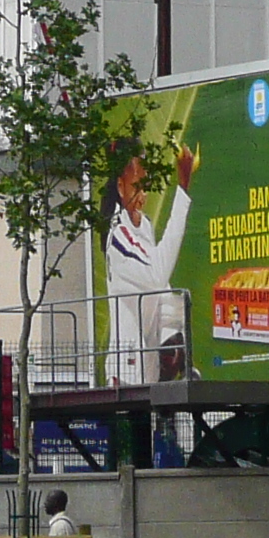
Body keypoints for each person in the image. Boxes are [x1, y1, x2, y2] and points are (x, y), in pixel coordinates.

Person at [104, 143, 198, 385]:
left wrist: (174, 336)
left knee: (173, 300)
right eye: (137, 185)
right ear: (120, 186)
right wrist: (183, 190)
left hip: (149, 365)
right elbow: (157, 274)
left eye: (145, 185)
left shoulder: (144, 227)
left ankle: (176, 356)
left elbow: (158, 285)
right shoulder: (118, 236)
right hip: (126, 371)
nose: (143, 194)